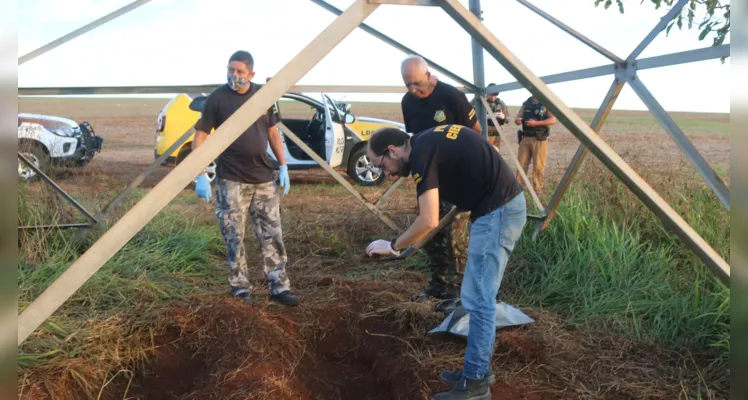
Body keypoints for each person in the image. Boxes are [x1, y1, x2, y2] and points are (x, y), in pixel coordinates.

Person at [364, 125, 527, 400]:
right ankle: (478, 370)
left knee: (479, 299)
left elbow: (427, 219)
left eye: (382, 165)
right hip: (496, 208)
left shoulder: (421, 154)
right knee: (476, 296)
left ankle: (475, 384)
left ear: (392, 150)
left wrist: (392, 246)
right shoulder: (428, 139)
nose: (387, 173)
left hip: (498, 212)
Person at [192, 50, 299, 307]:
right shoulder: (218, 99)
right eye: (231, 69)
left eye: (240, 71)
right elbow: (200, 134)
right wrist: (199, 174)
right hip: (231, 178)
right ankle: (241, 289)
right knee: (233, 235)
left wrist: (283, 165)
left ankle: (279, 287)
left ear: (251, 74)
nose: (234, 75)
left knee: (272, 234)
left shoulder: (263, 97)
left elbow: (273, 133)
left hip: (262, 177)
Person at [399, 55, 481, 313]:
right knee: (431, 234)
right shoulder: (408, 103)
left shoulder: (451, 97)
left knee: (456, 238)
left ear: (429, 75)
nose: (414, 90)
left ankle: (460, 295)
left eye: (417, 84)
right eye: (408, 85)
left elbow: (475, 131)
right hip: (430, 177)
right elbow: (414, 137)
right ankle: (438, 286)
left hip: (458, 177)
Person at [514, 95, 557, 195]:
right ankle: (518, 189)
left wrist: (536, 123)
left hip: (539, 138)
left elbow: (553, 120)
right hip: (525, 137)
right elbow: (518, 118)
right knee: (521, 164)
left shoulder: (546, 103)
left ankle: (538, 190)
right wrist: (518, 120)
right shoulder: (526, 103)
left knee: (538, 165)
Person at [484, 85, 509, 151]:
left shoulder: (500, 103)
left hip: (496, 135)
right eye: (491, 95)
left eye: (495, 95)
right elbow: (473, 116)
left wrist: (503, 117)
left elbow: (507, 120)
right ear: (487, 93)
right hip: (485, 134)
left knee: (495, 155)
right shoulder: (481, 101)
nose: (493, 97)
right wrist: (488, 116)